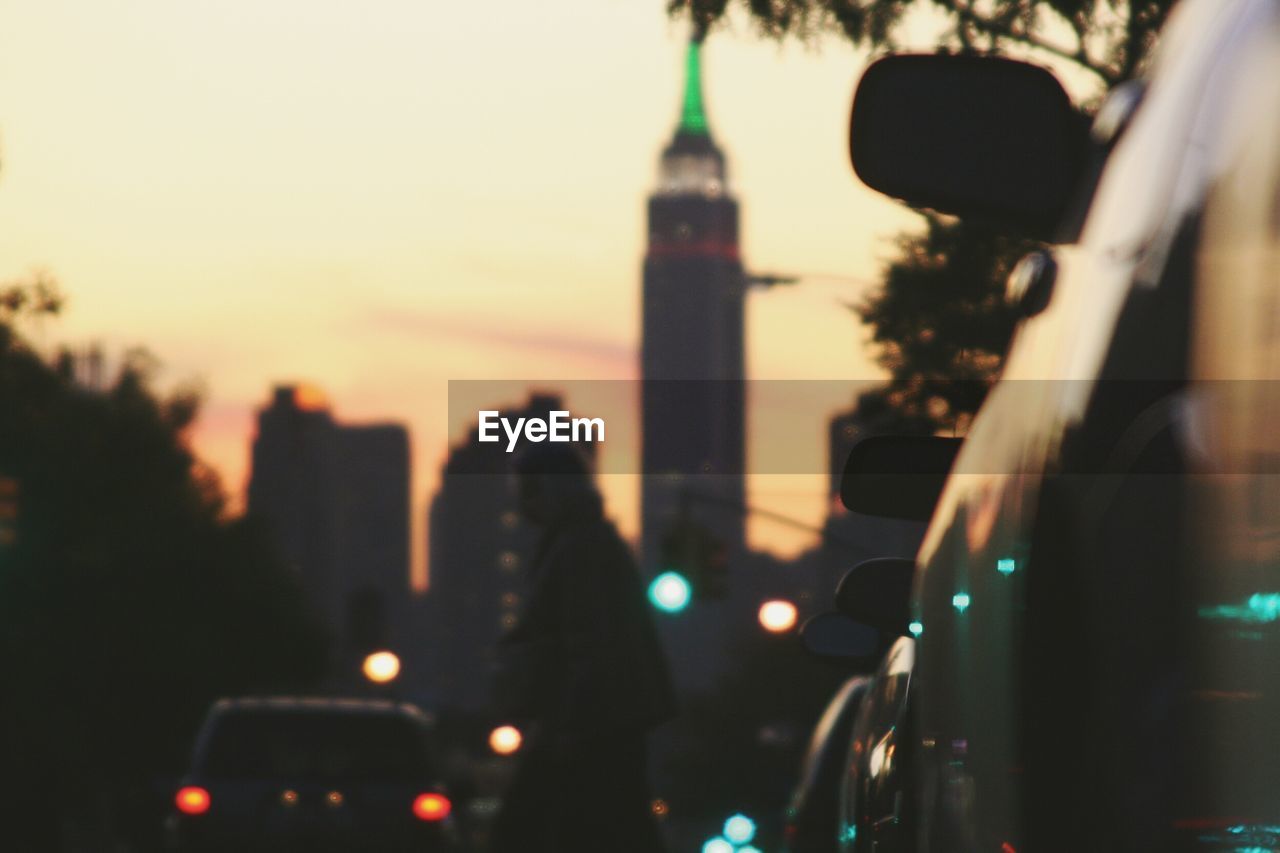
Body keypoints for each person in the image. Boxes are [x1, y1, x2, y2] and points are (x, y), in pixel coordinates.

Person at [489, 444, 675, 853]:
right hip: (599, 723)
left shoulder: (577, 547)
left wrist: (570, 726)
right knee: (614, 829)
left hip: (587, 727)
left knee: (532, 830)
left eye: (528, 489)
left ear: (552, 490)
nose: (521, 501)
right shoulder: (582, 541)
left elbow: (587, 645)